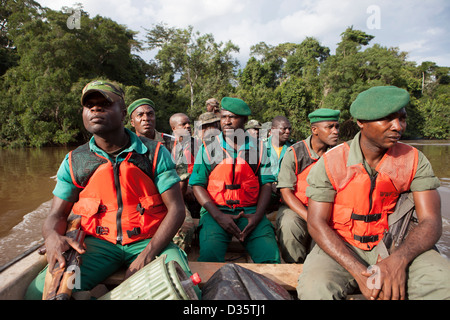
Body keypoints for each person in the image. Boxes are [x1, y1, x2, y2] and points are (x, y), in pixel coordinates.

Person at [25, 80, 198, 299]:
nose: (96, 109)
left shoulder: (154, 153)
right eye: (90, 106)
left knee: (184, 290)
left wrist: (146, 257)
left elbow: (176, 210)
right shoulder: (75, 161)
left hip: (151, 241)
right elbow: (56, 215)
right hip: (97, 248)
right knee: (37, 292)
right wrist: (51, 236)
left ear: (123, 113)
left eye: (104, 104)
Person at [298, 86, 450, 300]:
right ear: (361, 122)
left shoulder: (414, 159)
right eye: (387, 119)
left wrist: (398, 261)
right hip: (343, 244)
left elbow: (431, 221)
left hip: (396, 243)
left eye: (402, 118)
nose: (398, 127)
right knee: (315, 289)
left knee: (444, 284)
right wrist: (359, 273)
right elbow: (316, 223)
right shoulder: (330, 163)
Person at [189, 97, 280, 263]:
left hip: (251, 212)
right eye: (224, 117)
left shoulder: (259, 148)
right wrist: (218, 216)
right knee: (209, 257)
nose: (227, 122)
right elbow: (197, 185)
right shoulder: (208, 148)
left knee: (270, 258)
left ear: (244, 120)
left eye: (233, 117)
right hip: (216, 212)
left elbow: (267, 184)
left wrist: (257, 217)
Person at [276, 108, 340, 263]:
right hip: (299, 209)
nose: (335, 131)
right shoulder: (295, 153)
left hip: (330, 209)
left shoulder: (340, 154)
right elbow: (286, 193)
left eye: (337, 127)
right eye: (330, 127)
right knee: (288, 224)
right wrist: (311, 217)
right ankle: (294, 268)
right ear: (315, 130)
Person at [167, 113, 199, 248]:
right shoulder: (165, 147)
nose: (188, 126)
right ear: (174, 129)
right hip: (174, 192)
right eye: (183, 124)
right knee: (184, 226)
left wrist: (194, 186)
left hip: (195, 187)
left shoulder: (197, 145)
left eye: (189, 123)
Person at [265, 116, 294, 213]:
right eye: (284, 128)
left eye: (289, 128)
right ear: (273, 130)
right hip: (264, 192)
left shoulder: (293, 148)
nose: (287, 131)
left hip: (285, 192)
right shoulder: (261, 147)